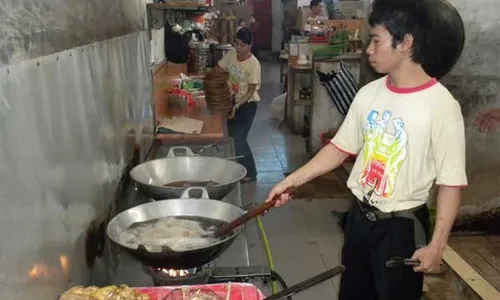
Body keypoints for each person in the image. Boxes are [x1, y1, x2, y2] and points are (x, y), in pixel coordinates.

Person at [266, 0, 467, 299]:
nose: (369, 50)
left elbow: (451, 182)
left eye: (376, 40)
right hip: (360, 220)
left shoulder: (441, 106)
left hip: (400, 229)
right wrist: (290, 182)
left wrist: (437, 245)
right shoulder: (369, 94)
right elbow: (338, 149)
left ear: (406, 42)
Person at [216, 28, 261, 183]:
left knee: (238, 139)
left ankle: (251, 173)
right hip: (232, 101)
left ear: (250, 45)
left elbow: (250, 91)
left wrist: (238, 105)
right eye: (236, 44)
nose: (239, 48)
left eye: (243, 45)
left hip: (248, 104)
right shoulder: (231, 55)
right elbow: (219, 69)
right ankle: (236, 169)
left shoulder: (253, 64)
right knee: (230, 137)